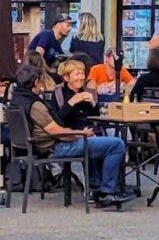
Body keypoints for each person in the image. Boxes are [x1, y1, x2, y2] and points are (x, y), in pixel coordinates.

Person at [27, 58, 130, 208]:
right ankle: (105, 191)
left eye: (82, 73)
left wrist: (94, 104)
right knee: (116, 145)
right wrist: (72, 102)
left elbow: (95, 117)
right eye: (77, 74)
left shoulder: (86, 92)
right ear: (66, 77)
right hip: (69, 137)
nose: (81, 77)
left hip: (89, 133)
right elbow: (58, 121)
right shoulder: (59, 93)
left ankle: (98, 189)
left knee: (105, 143)